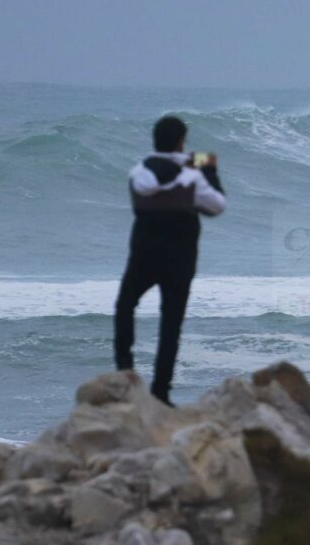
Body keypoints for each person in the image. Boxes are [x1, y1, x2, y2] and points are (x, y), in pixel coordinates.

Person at [114, 116, 226, 406]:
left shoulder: (139, 171)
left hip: (144, 254)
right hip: (180, 258)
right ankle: (161, 391)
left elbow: (151, 185)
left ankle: (125, 373)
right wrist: (209, 171)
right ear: (180, 142)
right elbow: (216, 205)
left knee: (125, 306)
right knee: (171, 322)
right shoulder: (192, 176)